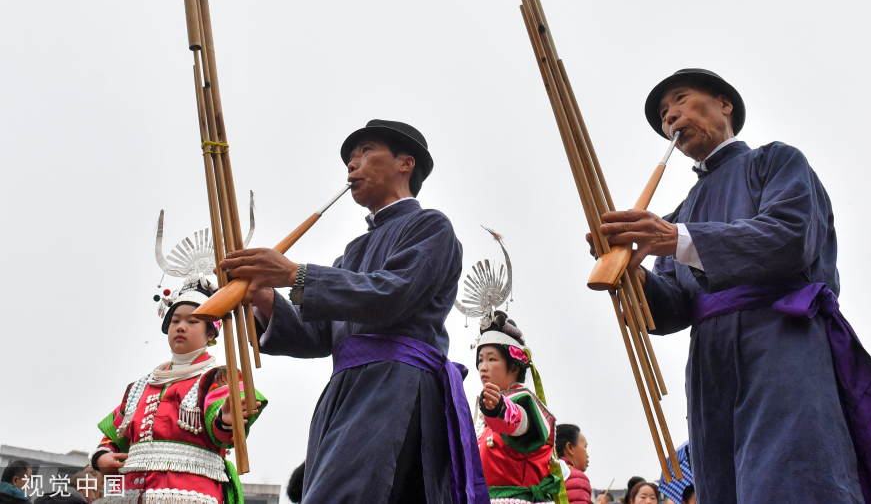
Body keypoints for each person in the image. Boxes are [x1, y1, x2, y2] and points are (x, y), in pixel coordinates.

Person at [590, 68, 871, 504]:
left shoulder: (776, 162)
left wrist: (676, 240)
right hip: (710, 365)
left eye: (679, 99)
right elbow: (672, 309)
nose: (669, 116)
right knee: (721, 486)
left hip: (782, 342)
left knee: (794, 478)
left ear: (724, 103)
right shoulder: (679, 212)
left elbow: (790, 238)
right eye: (662, 113)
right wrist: (629, 272)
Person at [223, 120, 488, 504]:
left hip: (394, 387)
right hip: (344, 394)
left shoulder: (431, 227)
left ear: (405, 164)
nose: (352, 164)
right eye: (350, 158)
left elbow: (390, 296)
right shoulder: (350, 253)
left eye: (365, 151)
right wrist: (263, 295)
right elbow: (318, 337)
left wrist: (293, 274)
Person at [90, 266, 266, 504]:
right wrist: (102, 457)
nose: (181, 326)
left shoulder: (218, 377)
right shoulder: (140, 386)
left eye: (193, 321)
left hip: (189, 493)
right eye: (175, 321)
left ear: (210, 334)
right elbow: (116, 433)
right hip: (131, 493)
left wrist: (225, 419)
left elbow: (225, 434)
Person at [475, 311, 565, 504]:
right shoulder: (483, 416)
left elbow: (517, 420)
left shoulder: (526, 402)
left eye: (491, 359)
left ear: (514, 367)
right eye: (480, 359)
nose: (483, 367)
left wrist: (499, 408)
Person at [555, 424, 590, 504]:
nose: (587, 455)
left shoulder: (545, 472)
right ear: (570, 447)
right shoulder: (576, 478)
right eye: (585, 447)